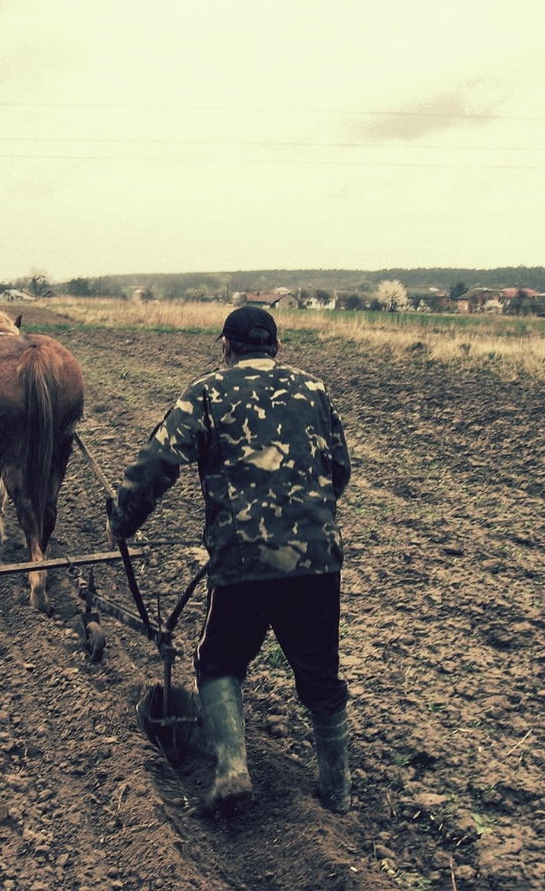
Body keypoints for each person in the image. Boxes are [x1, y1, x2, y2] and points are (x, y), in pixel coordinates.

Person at [107, 306, 352, 817]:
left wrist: (123, 521)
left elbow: (159, 463)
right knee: (320, 675)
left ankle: (232, 772)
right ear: (277, 347)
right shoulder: (316, 390)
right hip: (318, 560)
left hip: (244, 559)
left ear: (226, 345)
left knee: (219, 662)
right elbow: (341, 470)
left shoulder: (207, 391)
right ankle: (337, 792)